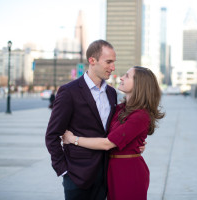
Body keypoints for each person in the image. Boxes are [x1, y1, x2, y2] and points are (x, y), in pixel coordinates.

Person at [45, 40, 145, 200]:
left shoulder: (112, 93)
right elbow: (52, 135)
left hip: (106, 175)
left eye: (114, 62)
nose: (113, 68)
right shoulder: (69, 92)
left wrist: (136, 143)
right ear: (92, 60)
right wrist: (64, 171)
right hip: (77, 177)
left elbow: (116, 130)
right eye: (108, 62)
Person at [62, 66, 165, 200]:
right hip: (112, 170)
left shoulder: (140, 115)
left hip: (129, 172)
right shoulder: (120, 108)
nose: (121, 77)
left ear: (139, 84)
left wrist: (73, 139)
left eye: (127, 76)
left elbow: (107, 143)